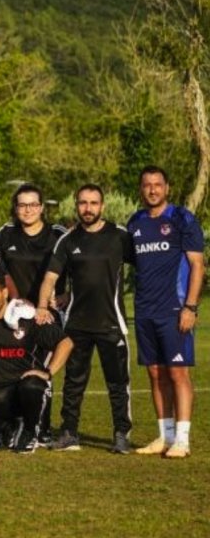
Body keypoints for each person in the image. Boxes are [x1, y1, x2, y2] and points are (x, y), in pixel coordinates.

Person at [38, 184, 135, 453]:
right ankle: (69, 432)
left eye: (93, 203)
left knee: (117, 384)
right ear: (76, 206)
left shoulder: (120, 236)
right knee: (74, 382)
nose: (88, 208)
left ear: (102, 206)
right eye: (83, 203)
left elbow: (147, 265)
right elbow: (50, 278)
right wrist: (42, 306)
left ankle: (121, 434)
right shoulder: (68, 240)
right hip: (77, 324)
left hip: (111, 323)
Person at [126, 166, 202, 458]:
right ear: (141, 189)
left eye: (158, 185)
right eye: (147, 185)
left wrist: (190, 307)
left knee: (177, 373)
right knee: (156, 374)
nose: (153, 190)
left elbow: (197, 265)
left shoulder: (182, 219)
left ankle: (182, 439)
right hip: (145, 310)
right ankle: (165, 436)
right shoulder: (135, 223)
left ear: (167, 188)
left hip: (175, 309)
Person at [0, 183, 66, 443]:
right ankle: (16, 424)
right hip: (14, 313)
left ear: (42, 208)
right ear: (15, 208)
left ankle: (42, 428)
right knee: (15, 368)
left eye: (33, 204)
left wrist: (63, 299)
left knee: (41, 369)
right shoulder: (6, 234)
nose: (28, 210)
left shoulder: (57, 234)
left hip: (45, 314)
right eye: (22, 205)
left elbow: (78, 271)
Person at [0, 276, 74, 454]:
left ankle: (30, 431)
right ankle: (9, 426)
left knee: (31, 385)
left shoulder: (28, 319)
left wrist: (48, 373)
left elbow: (66, 343)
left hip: (28, 389)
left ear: (5, 292)